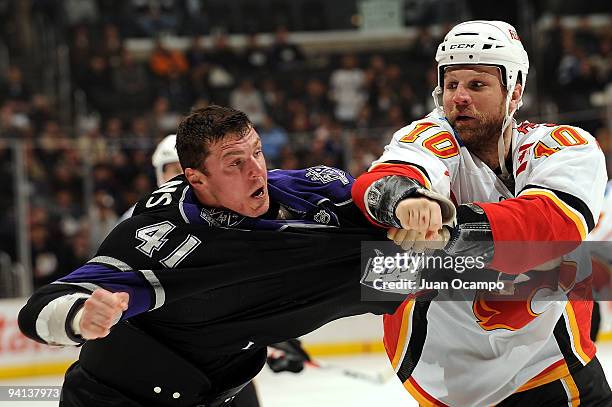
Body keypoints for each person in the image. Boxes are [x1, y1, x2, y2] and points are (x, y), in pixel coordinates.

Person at [18, 105, 401, 407]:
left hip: (220, 388)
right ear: (194, 178)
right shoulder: (157, 233)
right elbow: (39, 309)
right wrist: (81, 315)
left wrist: (411, 204)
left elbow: (381, 224)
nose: (256, 173)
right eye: (235, 163)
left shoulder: (300, 190)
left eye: (257, 153)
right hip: (117, 397)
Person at [351, 20, 611, 406]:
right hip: (449, 381)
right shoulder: (428, 136)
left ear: (514, 92)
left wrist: (454, 230)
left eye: (477, 85)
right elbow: (388, 176)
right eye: (451, 84)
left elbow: (550, 225)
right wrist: (404, 200)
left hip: (553, 363)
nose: (459, 97)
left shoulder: (564, 147)